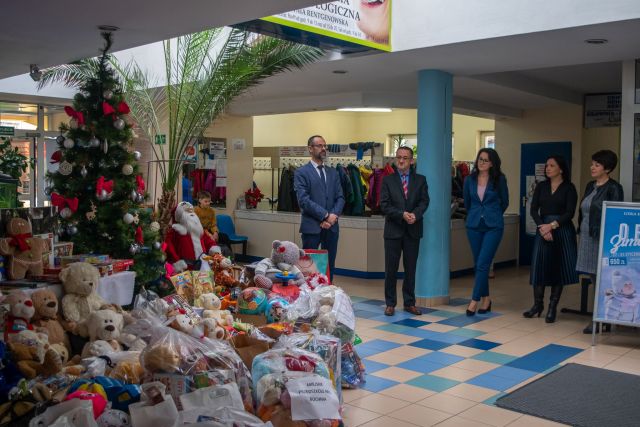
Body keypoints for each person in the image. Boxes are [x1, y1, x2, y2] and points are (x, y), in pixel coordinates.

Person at [524, 155, 578, 323]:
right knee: (539, 266)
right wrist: (542, 227)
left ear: (561, 169)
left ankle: (552, 307)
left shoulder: (569, 188)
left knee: (558, 269)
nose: (547, 168)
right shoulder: (541, 186)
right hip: (543, 230)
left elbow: (570, 213)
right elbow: (533, 210)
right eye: (546, 165)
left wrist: (552, 226)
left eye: (551, 166)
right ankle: (537, 305)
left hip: (561, 231)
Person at [576, 150, 623, 334]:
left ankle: (600, 316)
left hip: (601, 238)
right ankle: (600, 316)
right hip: (587, 236)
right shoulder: (590, 185)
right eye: (592, 164)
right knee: (593, 277)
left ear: (608, 168)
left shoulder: (614, 188)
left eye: (597, 165)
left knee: (603, 279)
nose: (592, 167)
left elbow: (615, 216)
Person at [380, 147, 429, 316]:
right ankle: (390, 303)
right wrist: (402, 215)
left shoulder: (421, 180)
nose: (401, 161)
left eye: (405, 158)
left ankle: (409, 303)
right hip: (393, 231)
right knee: (391, 269)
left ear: (411, 161)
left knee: (410, 269)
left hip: (412, 231)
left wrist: (415, 214)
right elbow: (384, 205)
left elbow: (424, 202)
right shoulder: (388, 180)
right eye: (399, 157)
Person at [463, 148, 509, 316]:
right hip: (474, 225)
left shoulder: (499, 180)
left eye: (485, 160)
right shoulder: (469, 180)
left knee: (483, 263)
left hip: (493, 226)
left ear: (492, 163)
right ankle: (486, 299)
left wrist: (492, 214)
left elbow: (505, 202)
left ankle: (474, 300)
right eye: (480, 159)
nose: (481, 162)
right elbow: (467, 203)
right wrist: (477, 214)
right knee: (479, 264)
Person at [294, 135, 345, 283]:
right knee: (309, 266)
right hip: (312, 227)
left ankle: (327, 296)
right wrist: (325, 215)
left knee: (330, 265)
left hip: (332, 227)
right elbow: (304, 201)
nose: (323, 149)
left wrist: (333, 216)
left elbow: (340, 197)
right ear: (310, 149)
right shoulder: (301, 172)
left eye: (325, 146)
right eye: (319, 146)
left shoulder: (333, 172)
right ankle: (309, 298)